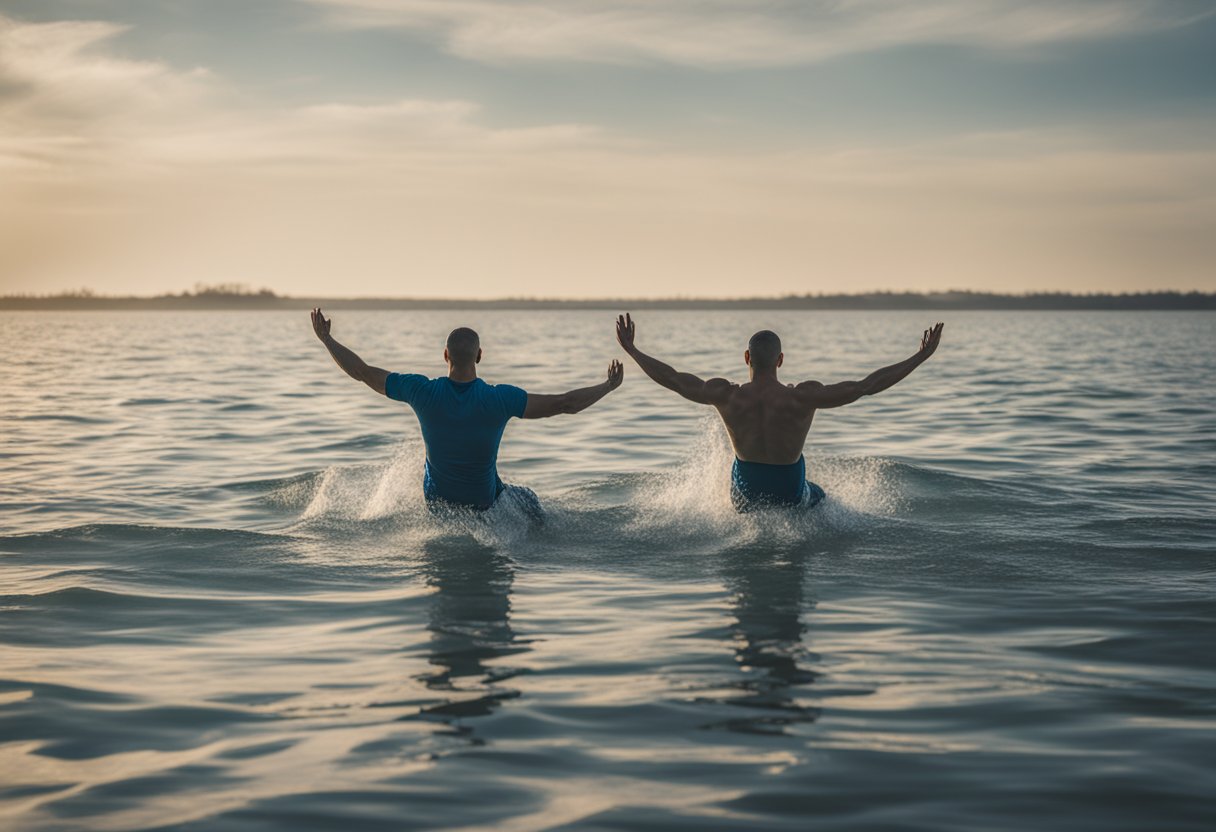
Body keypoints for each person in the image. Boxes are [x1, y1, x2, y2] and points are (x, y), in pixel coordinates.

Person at [616, 314, 944, 512]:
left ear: (747, 358)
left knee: (734, 479)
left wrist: (632, 349)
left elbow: (672, 379)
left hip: (745, 494)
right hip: (790, 493)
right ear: (780, 360)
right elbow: (866, 386)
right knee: (818, 496)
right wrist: (919, 358)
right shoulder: (803, 397)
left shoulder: (725, 395)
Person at [311, 308, 623, 514]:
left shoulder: (420, 391)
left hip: (438, 505)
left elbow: (364, 373)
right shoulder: (500, 398)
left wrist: (327, 340)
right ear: (480, 356)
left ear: (445, 354)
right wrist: (607, 386)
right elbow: (564, 404)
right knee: (529, 502)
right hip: (485, 503)